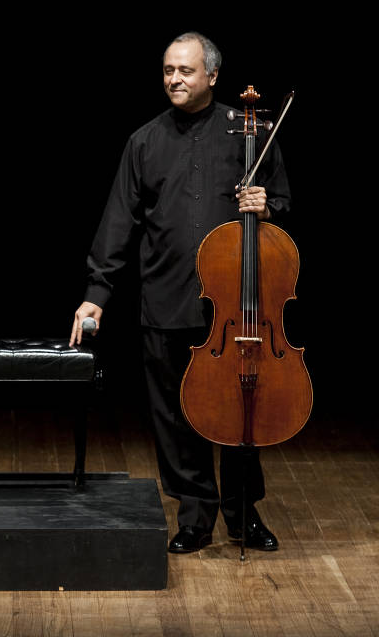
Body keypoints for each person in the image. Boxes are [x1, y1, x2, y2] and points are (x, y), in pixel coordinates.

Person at [70, 31, 291, 553]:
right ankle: (195, 517)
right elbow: (118, 221)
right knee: (174, 415)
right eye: (168, 70)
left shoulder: (249, 131)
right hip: (167, 298)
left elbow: (281, 202)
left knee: (242, 414)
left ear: (212, 76)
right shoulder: (144, 141)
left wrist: (266, 207)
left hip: (239, 306)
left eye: (185, 71)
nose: (174, 79)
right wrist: (96, 292)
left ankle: (242, 514)